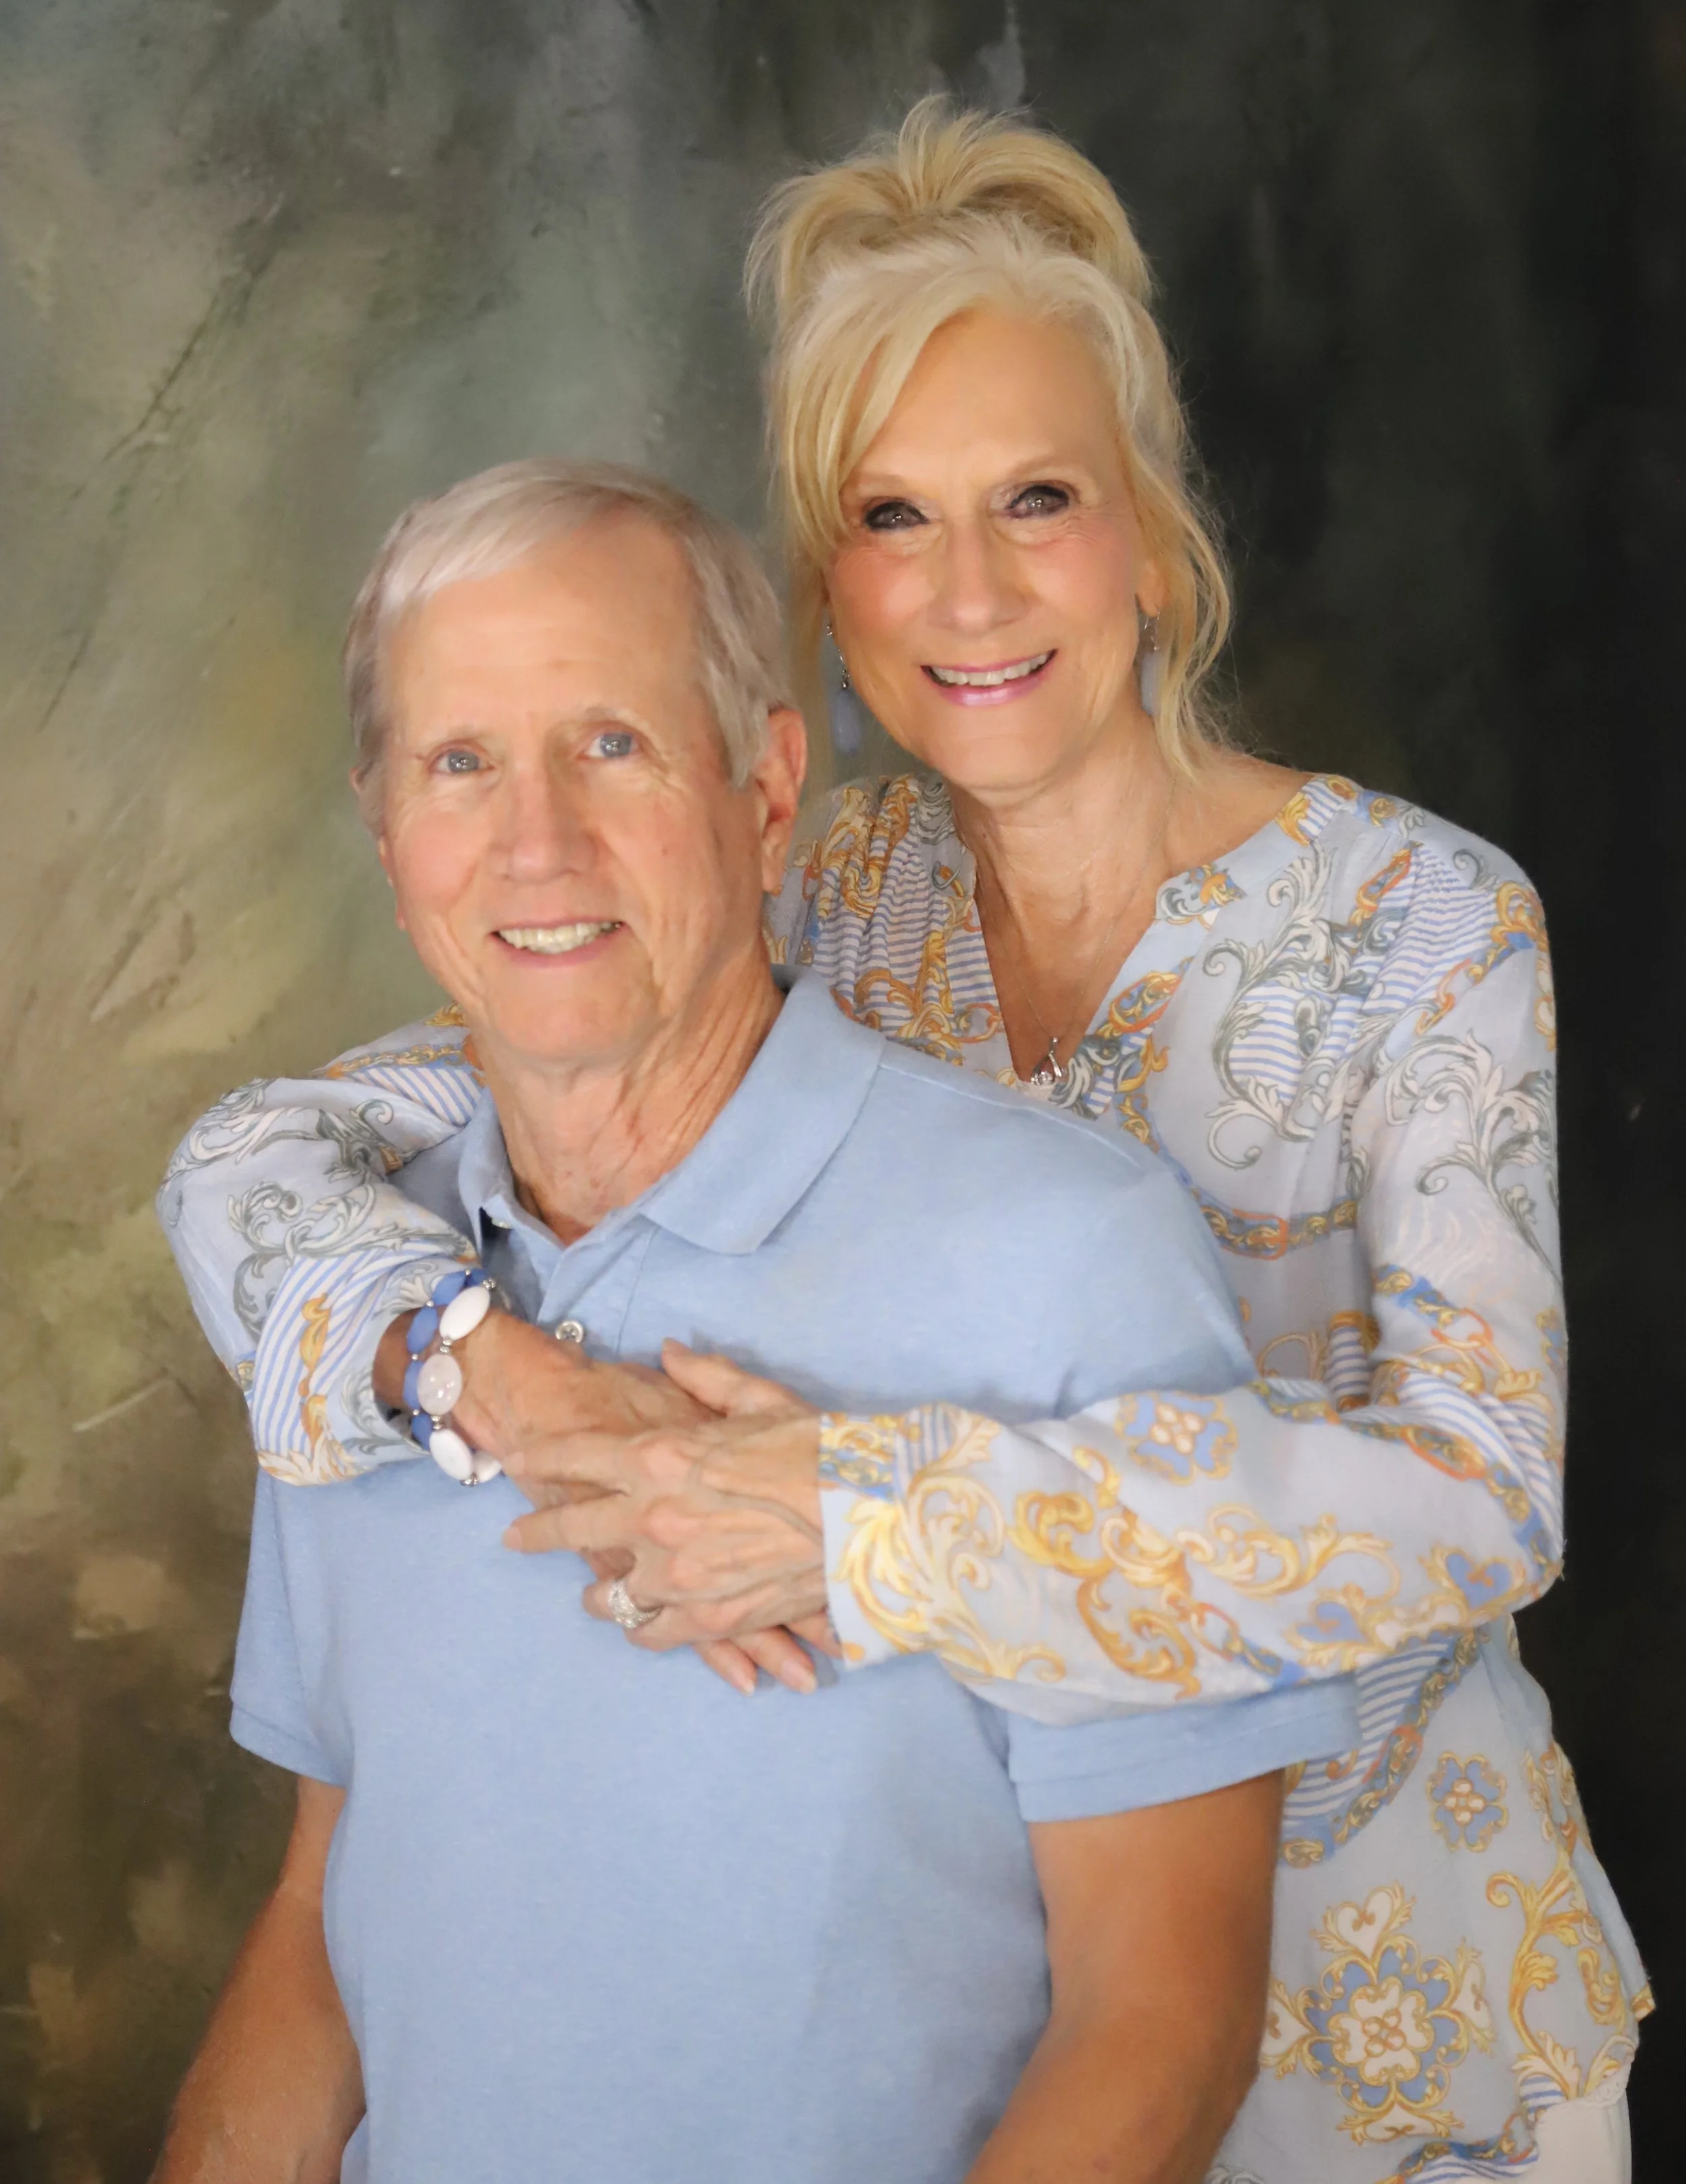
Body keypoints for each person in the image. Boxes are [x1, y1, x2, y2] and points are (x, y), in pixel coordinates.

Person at [158, 109, 1645, 2184]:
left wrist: (866, 1518)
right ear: (819, 585)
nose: (966, 587)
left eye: (1034, 499)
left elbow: (1486, 1504)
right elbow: (287, 1145)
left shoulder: (1419, 920)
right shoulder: (814, 890)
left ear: (1146, 523)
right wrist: (457, 1357)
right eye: (887, 515)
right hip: (999, 1983)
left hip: (1375, 1966)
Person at [156, 460, 1347, 2184]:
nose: (536, 842)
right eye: (461, 763)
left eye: (612, 745)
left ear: (767, 789)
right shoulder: (366, 1306)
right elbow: (319, 1929)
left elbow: (1158, 2018)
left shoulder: (1070, 1261)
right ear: (385, 827)